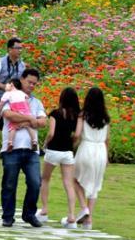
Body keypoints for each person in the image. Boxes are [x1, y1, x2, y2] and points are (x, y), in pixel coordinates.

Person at [0, 68, 46, 228]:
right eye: (29, 82)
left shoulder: (36, 102)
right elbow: (9, 115)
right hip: (11, 148)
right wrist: (31, 118)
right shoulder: (11, 96)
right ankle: (8, 216)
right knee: (10, 183)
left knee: (35, 182)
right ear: (22, 80)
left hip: (31, 150)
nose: (31, 86)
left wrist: (27, 121)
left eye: (34, 83)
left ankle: (29, 213)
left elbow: (42, 122)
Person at [38, 87, 81, 227]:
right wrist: (72, 145)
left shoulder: (55, 113)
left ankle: (44, 209)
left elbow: (51, 133)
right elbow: (76, 135)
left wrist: (44, 144)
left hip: (53, 150)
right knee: (68, 183)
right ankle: (71, 215)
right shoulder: (76, 116)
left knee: (45, 179)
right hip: (67, 152)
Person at [73, 87, 111, 230]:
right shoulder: (105, 117)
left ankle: (84, 208)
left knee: (74, 179)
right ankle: (89, 220)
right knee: (95, 185)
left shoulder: (83, 115)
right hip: (101, 150)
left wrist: (72, 145)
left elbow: (77, 134)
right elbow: (107, 139)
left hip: (87, 148)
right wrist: (106, 156)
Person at [0, 79, 38, 152]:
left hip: (16, 111)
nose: (5, 86)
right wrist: (28, 113)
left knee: (12, 128)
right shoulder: (21, 92)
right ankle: (34, 141)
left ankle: (10, 142)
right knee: (29, 126)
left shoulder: (7, 93)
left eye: (6, 84)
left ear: (11, 85)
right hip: (25, 110)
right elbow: (26, 101)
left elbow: (1, 104)